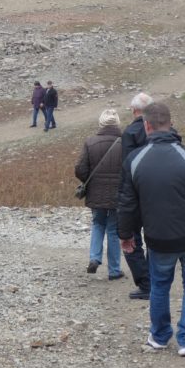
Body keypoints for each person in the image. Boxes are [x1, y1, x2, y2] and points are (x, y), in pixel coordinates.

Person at [118, 102, 185, 357]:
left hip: (158, 238)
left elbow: (126, 204)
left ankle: (160, 336)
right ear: (170, 123)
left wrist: (125, 235)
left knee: (160, 285)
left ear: (147, 126)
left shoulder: (134, 159)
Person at [74, 109, 124, 280]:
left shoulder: (90, 142)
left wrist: (90, 180)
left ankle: (94, 258)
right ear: (117, 123)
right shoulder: (125, 143)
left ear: (101, 123)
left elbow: (80, 169)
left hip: (96, 192)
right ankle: (114, 270)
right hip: (118, 194)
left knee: (97, 224)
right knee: (113, 230)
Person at [120, 92, 153, 299]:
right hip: (159, 192)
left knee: (131, 239)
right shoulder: (164, 130)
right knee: (155, 238)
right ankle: (155, 280)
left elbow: (127, 166)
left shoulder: (130, 133)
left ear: (133, 111)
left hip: (136, 193)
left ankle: (145, 282)